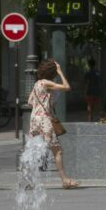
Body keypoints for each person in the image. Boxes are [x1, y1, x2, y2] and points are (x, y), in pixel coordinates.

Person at [28, 59, 79, 189]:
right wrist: (60, 72)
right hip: (45, 120)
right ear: (52, 72)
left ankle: (31, 180)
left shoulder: (37, 84)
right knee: (57, 151)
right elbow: (67, 87)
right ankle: (65, 180)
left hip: (34, 119)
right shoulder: (47, 83)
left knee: (36, 150)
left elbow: (30, 101)